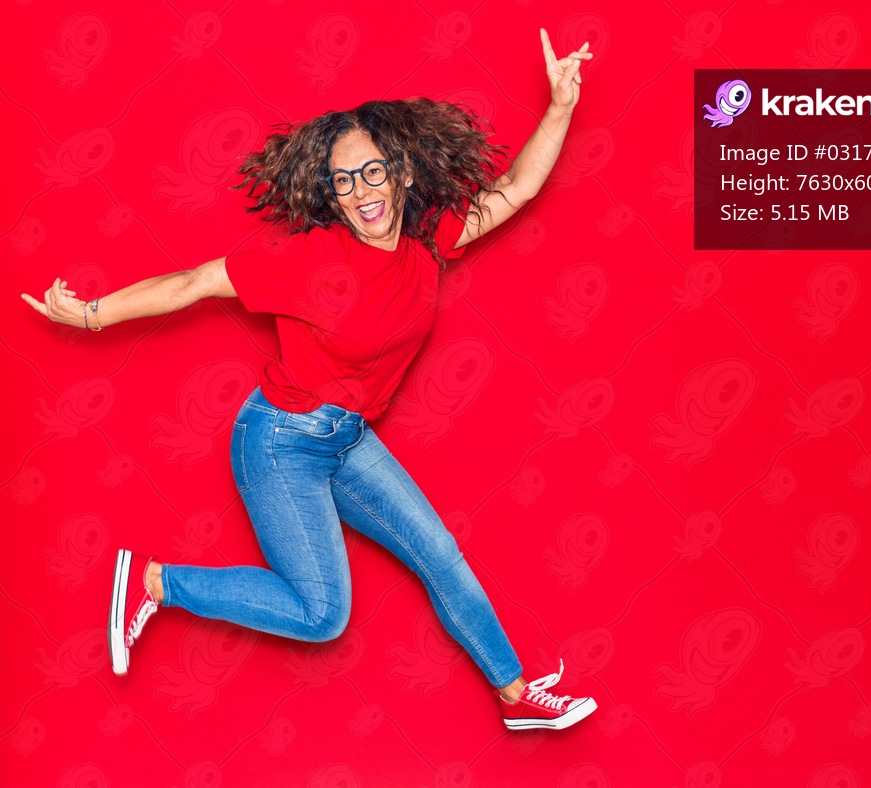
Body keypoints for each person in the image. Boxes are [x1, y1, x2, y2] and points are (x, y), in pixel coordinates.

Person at [23, 29, 595, 731]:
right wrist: (91, 315)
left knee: (438, 552)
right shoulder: (310, 262)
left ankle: (517, 698)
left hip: (348, 439)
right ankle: (152, 582)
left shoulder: (427, 242)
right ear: (333, 193)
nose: (362, 192)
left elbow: (513, 191)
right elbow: (194, 283)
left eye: (374, 171)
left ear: (403, 173)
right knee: (323, 615)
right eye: (345, 180)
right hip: (281, 440)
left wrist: (562, 104)